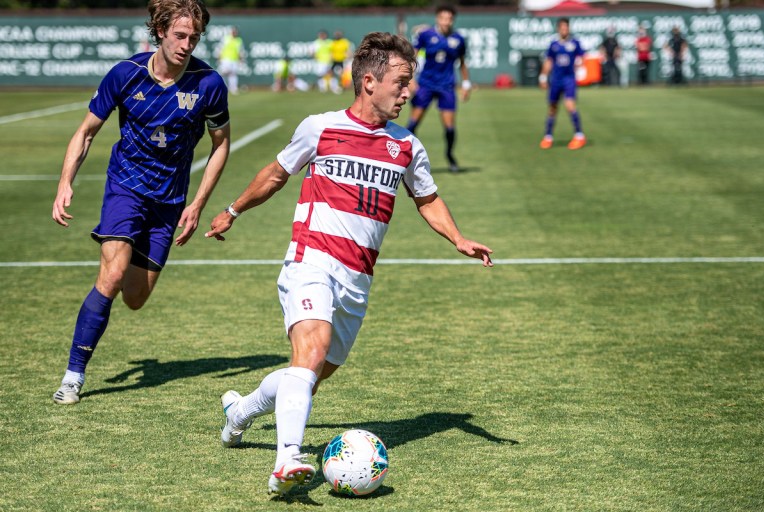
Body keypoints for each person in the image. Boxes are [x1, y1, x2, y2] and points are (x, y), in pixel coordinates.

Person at [205, 31, 493, 497]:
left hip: (358, 279)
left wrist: (457, 238)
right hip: (311, 260)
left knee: (311, 374)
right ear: (368, 81)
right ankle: (287, 462)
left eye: (410, 83)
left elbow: (427, 198)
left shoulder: (406, 146)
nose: (408, 92)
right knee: (310, 352)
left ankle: (238, 413)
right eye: (400, 82)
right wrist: (233, 211)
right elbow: (277, 174)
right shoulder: (320, 127)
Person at [51, 0, 231, 405]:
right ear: (161, 32)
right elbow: (85, 133)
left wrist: (198, 202)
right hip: (126, 188)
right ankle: (73, 376)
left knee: (134, 298)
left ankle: (81, 359)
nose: (187, 45)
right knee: (111, 277)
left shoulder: (209, 83)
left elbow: (221, 145)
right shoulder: (126, 74)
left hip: (169, 201)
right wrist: (65, 183)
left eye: (195, 37)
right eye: (180, 36)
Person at [405, 5, 471, 173]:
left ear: (453, 20)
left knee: (449, 127)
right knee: (413, 123)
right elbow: (412, 56)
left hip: (446, 86)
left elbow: (462, 63)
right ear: (437, 18)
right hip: (426, 84)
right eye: (443, 18)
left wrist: (466, 83)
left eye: (449, 19)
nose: (446, 22)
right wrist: (410, 79)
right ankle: (406, 158)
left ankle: (450, 156)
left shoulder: (458, 39)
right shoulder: (426, 35)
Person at [538, 17, 586, 151]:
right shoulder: (554, 44)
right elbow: (548, 61)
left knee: (570, 105)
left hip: (569, 79)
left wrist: (581, 68)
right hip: (556, 80)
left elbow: (582, 58)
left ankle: (579, 135)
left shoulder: (575, 43)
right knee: (552, 108)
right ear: (558, 29)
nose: (564, 30)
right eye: (562, 28)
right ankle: (548, 137)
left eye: (566, 28)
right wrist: (543, 77)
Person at [218, 26, 246, 94]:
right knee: (223, 73)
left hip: (234, 60)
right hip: (225, 59)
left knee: (233, 74)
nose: (234, 33)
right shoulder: (226, 39)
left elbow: (240, 51)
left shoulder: (239, 40)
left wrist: (241, 59)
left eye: (235, 31)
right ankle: (222, 87)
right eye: (233, 31)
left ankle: (233, 88)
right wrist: (219, 57)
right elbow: (220, 48)